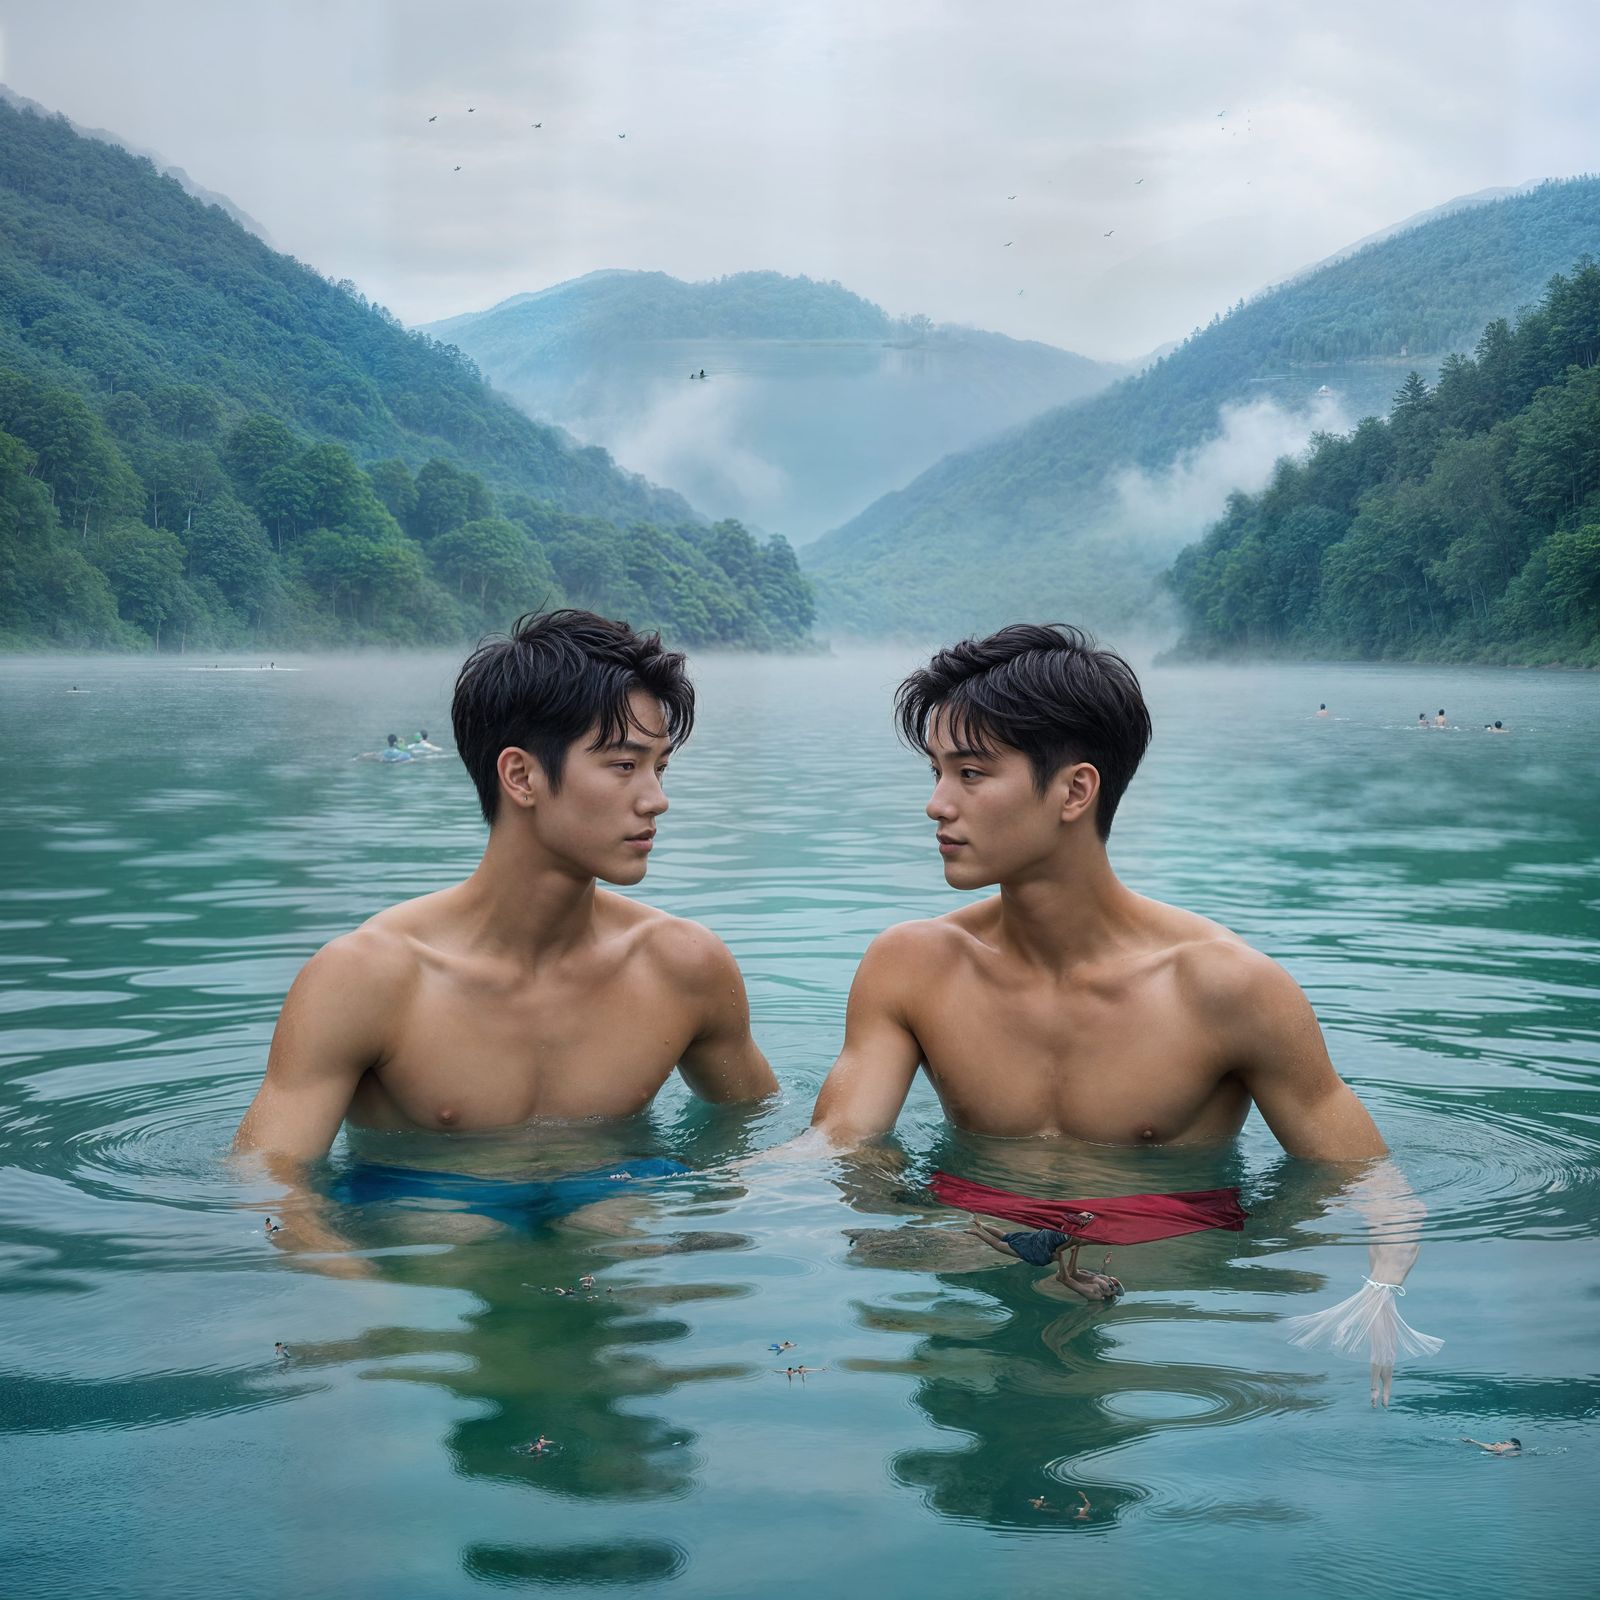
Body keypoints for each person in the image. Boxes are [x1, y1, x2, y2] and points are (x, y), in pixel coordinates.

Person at [234, 610, 777, 1256]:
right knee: (453, 1232)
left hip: (611, 1215)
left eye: (660, 767)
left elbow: (759, 1135)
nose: (656, 798)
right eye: (624, 767)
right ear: (520, 776)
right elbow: (267, 1186)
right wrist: (371, 1315)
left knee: (612, 1218)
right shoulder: (370, 978)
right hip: (425, 1227)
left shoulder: (683, 967)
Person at [810, 623, 1389, 1163]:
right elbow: (836, 1151)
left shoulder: (1227, 989)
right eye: (935, 772)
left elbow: (1366, 1195)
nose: (936, 803)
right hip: (966, 1249)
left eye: (970, 774)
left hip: (1160, 1265)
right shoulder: (913, 967)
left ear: (1075, 791)